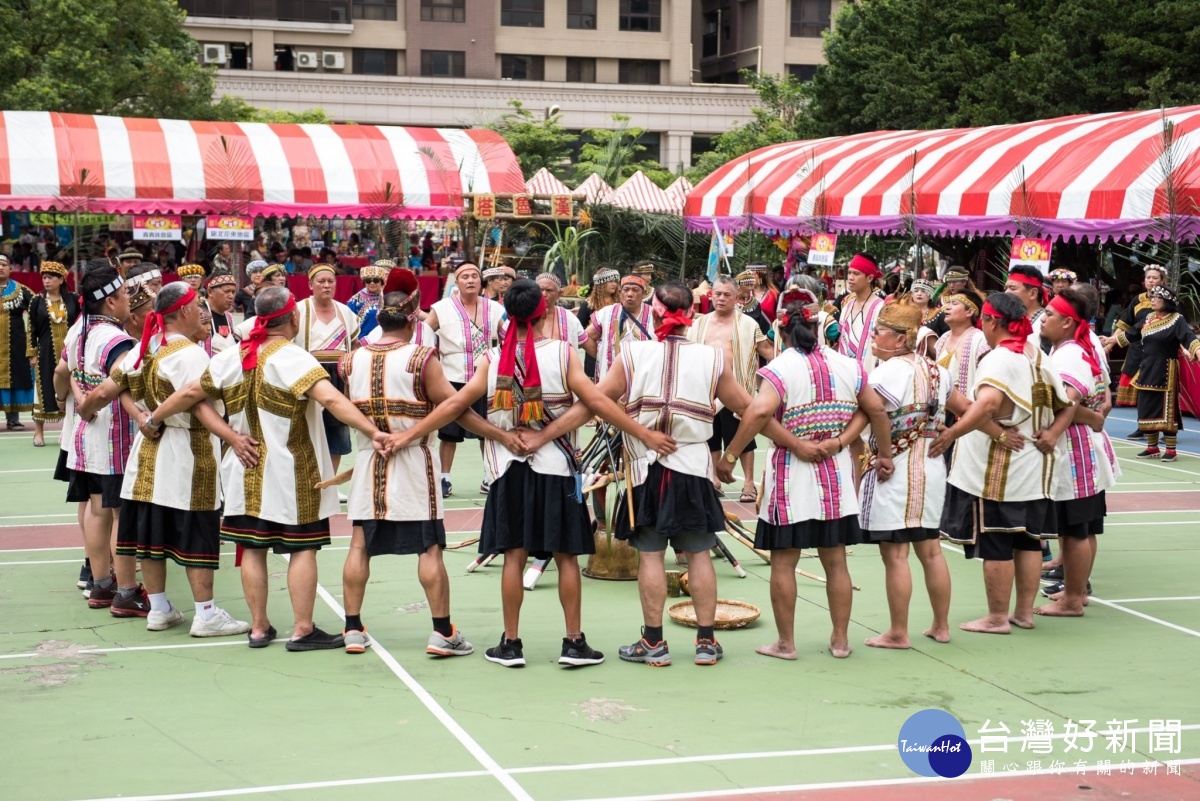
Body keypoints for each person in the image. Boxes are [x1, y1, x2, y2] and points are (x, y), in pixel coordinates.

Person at [389, 279, 675, 668]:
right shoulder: (562, 353)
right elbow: (593, 403)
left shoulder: (491, 359)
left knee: (513, 556)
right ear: (543, 312)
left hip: (508, 471)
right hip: (557, 468)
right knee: (567, 557)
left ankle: (511, 644)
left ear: (506, 314)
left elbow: (455, 406)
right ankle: (573, 643)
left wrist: (418, 434)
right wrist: (641, 433)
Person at [151, 286, 390, 650]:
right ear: (293, 317)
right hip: (292, 471)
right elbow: (331, 399)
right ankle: (302, 628)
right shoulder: (294, 358)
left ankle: (259, 628)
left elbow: (188, 396)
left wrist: (153, 418)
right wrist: (372, 431)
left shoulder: (231, 357)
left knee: (252, 548)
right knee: (302, 548)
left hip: (242, 469)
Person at [607, 281, 796, 667]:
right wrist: (741, 453)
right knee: (698, 555)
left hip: (645, 468)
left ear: (654, 312)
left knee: (651, 556)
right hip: (693, 468)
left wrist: (639, 431)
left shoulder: (632, 353)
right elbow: (753, 409)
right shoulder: (712, 358)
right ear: (691, 314)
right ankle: (706, 643)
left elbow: (596, 399)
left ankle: (654, 644)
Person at [718, 293, 893, 661]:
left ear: (781, 328)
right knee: (836, 561)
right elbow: (874, 408)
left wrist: (731, 456)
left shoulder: (780, 368)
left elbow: (760, 412)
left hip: (790, 481)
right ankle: (841, 641)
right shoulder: (847, 365)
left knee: (784, 561)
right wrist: (847, 442)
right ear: (819, 327)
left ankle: (786, 643)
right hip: (836, 479)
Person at [336, 274, 492, 656]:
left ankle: (353, 629)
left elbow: (344, 407)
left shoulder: (350, 359)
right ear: (411, 320)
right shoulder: (422, 358)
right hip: (414, 461)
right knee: (429, 547)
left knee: (359, 544)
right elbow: (456, 407)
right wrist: (498, 435)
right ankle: (442, 633)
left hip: (370, 459)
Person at [104, 284, 254, 635]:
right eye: (196, 304)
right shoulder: (190, 354)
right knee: (197, 533)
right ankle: (206, 614)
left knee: (152, 535)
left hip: (147, 454)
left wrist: (141, 418)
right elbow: (199, 404)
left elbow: (118, 386)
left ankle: (159, 609)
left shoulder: (147, 347)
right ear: (185, 310)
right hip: (188, 451)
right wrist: (232, 436)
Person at [931, 292, 1072, 634]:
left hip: (1000, 469)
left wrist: (952, 433)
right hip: (1036, 466)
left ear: (992, 322)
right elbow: (1067, 402)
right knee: (1028, 540)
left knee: (996, 541)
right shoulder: (1034, 352)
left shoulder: (999, 359)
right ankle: (1023, 612)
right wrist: (1052, 432)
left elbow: (989, 405)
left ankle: (996, 617)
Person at [857, 299, 953, 648]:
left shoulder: (890, 371)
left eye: (879, 332)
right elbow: (965, 408)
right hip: (930, 468)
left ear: (900, 339)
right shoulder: (937, 371)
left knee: (895, 555)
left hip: (896, 470)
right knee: (931, 551)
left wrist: (881, 454)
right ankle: (941, 626)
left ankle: (898, 631)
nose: (873, 338)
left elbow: (875, 415)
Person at [1036, 288, 1119, 616]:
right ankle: (1076, 590)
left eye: (1050, 315)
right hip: (1082, 448)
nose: (1043, 319)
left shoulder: (1069, 353)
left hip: (1076, 451)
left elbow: (1067, 400)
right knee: (1080, 528)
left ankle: (1072, 599)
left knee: (1075, 531)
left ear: (1068, 322)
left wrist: (1089, 418)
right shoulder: (1075, 347)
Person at [60, 263, 136, 609]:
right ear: (110, 302)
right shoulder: (115, 339)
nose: (128, 301)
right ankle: (126, 592)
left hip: (85, 439)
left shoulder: (80, 330)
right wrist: (89, 404)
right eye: (124, 295)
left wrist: (78, 399)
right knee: (119, 512)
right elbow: (114, 387)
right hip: (113, 437)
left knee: (95, 508)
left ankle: (101, 584)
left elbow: (68, 370)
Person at [688, 275, 772, 503]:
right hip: (706, 390)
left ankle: (748, 484)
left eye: (727, 295)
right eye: (717, 294)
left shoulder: (748, 324)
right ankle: (714, 479)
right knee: (710, 435)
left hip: (737, 389)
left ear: (736, 298)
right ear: (711, 295)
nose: (721, 298)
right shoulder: (699, 324)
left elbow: (767, 350)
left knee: (744, 436)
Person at [424, 261, 500, 497]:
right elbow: (425, 334)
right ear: (456, 282)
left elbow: (507, 336)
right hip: (451, 376)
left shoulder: (495, 308)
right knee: (448, 432)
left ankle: (490, 475)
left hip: (485, 376)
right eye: (464, 276)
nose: (470, 280)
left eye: (474, 276)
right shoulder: (441, 307)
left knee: (487, 429)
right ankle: (444, 478)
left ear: (481, 281)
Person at [1102, 284, 1200, 461]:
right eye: (1152, 297)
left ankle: (1170, 450)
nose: (1152, 300)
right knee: (1146, 407)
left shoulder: (1177, 320)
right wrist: (1110, 340)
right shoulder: (1148, 318)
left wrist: (1197, 351)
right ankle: (1152, 447)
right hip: (1147, 368)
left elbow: (1189, 339)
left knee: (1166, 411)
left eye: (1157, 298)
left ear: (1167, 302)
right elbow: (1131, 333)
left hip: (1166, 371)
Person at [295, 264, 359, 474]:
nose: (326, 286)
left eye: (331, 281)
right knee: (308, 427)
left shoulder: (346, 311)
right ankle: (310, 478)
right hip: (309, 375)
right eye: (321, 281)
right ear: (310, 285)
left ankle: (330, 481)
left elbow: (355, 344)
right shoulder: (299, 309)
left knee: (338, 429)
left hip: (340, 375)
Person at [28, 261, 81, 446]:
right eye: (44, 277)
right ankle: (38, 432)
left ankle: (69, 431)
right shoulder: (37, 301)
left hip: (70, 352)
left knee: (71, 389)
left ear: (61, 279)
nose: (46, 280)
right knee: (42, 390)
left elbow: (81, 324)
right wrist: (32, 354)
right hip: (45, 352)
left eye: (51, 277)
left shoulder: (73, 299)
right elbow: (31, 328)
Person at [1113, 265, 1166, 424]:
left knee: (1154, 392)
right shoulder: (1138, 299)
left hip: (1157, 352)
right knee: (1140, 393)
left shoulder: (1168, 301)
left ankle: (1159, 425)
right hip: (1136, 350)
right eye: (1148, 278)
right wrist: (1110, 342)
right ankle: (1142, 424)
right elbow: (1125, 324)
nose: (1151, 281)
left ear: (1162, 281)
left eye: (1155, 278)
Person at [583, 274, 653, 383]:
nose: (630, 294)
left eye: (635, 290)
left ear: (644, 294)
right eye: (626, 290)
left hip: (643, 378)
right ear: (620, 293)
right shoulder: (607, 313)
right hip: (611, 378)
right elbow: (585, 337)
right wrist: (601, 355)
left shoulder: (654, 315)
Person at [0, 254, 35, 429]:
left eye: (4, 264)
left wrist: (33, 342)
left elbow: (38, 309)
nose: (0, 267)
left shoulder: (21, 290)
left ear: (11, 268)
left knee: (13, 380)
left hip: (15, 345)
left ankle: (12, 418)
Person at [836, 254, 885, 375]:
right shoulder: (847, 306)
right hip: (845, 377)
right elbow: (841, 341)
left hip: (870, 377)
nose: (851, 278)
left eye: (856, 274)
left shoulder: (881, 308)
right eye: (849, 273)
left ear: (869, 278)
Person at [576, 267, 619, 379]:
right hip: (594, 349)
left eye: (615, 281)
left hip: (616, 348)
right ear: (601, 283)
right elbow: (579, 329)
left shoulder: (620, 304)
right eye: (610, 281)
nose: (614, 284)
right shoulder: (588, 304)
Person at [1005, 263, 1049, 348]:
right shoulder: (1008, 319)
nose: (1006, 293)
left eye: (1012, 288)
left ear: (1033, 293)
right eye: (1005, 288)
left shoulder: (1046, 321)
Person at [348, 260, 393, 340]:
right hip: (362, 342)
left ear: (381, 282)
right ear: (364, 282)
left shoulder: (389, 297)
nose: (372, 283)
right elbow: (347, 320)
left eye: (375, 280)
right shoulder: (356, 299)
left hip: (386, 341)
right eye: (368, 281)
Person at [202, 272, 239, 354]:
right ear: (210, 292)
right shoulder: (199, 314)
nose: (231, 296)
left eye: (233, 292)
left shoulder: (229, 317)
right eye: (227, 291)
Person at [734, 270, 772, 339]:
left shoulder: (755, 304)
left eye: (752, 285)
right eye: (747, 284)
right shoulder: (729, 302)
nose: (750, 288)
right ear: (738, 285)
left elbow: (763, 328)